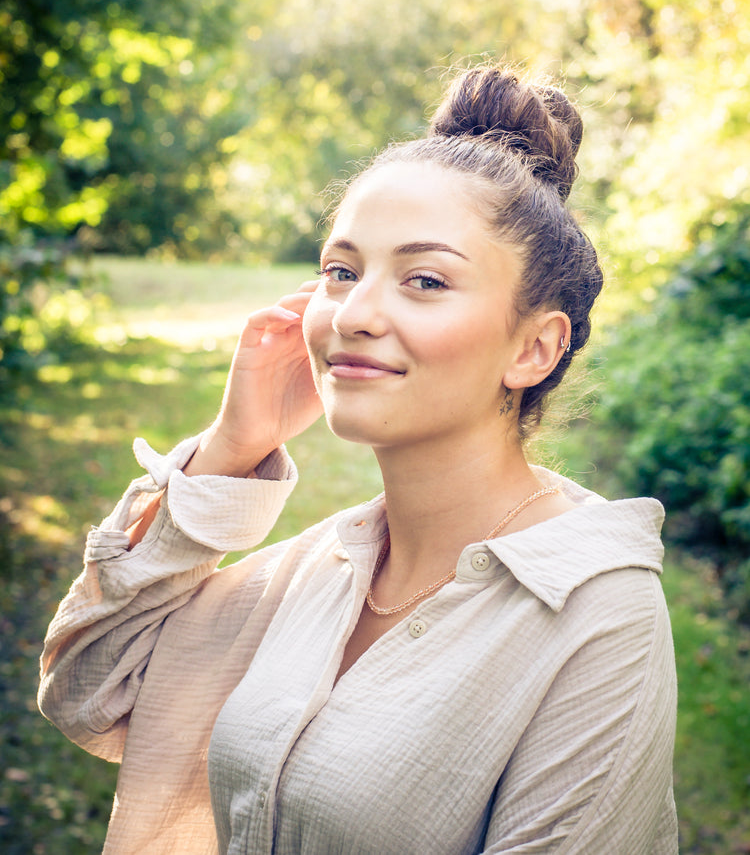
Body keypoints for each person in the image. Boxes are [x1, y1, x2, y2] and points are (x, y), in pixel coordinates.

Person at [38, 64, 678, 855]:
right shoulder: (327, 565)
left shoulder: (596, 615)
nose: (355, 313)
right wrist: (232, 448)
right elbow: (85, 687)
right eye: (342, 271)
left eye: (425, 279)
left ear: (534, 346)